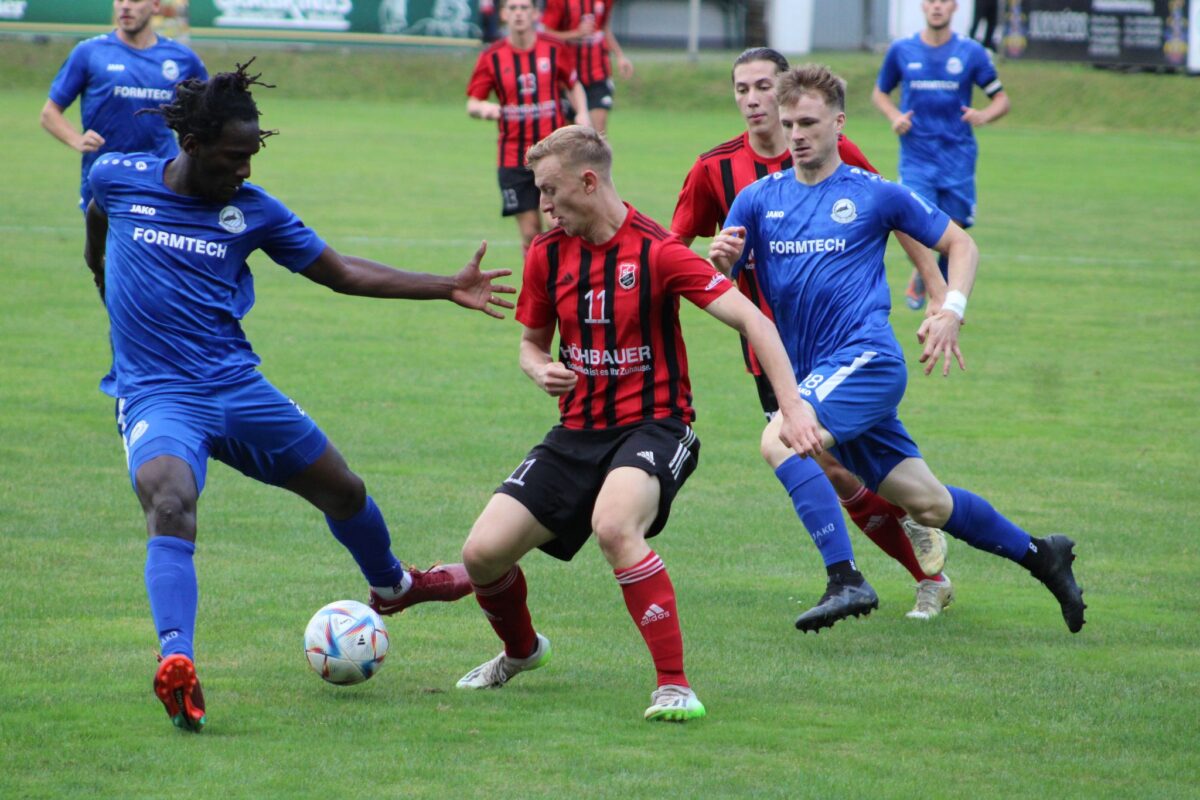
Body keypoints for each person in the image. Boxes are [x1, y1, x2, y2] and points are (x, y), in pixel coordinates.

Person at [83, 61, 516, 732]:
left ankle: (394, 587)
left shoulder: (253, 212)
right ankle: (178, 664)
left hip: (235, 386)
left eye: (252, 156)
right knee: (169, 500)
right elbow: (97, 225)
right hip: (158, 394)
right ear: (191, 146)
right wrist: (104, 284)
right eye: (234, 157)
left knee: (343, 489)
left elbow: (340, 272)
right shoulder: (117, 178)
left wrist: (444, 286)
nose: (245, 172)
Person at [710, 64, 1085, 635]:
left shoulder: (873, 192)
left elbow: (960, 244)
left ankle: (845, 578)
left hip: (867, 362)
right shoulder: (758, 200)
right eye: (789, 125)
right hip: (818, 375)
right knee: (929, 505)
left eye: (809, 122)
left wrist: (949, 308)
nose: (797, 134)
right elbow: (723, 275)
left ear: (839, 123)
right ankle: (1042, 555)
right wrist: (719, 261)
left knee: (781, 437)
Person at [454, 125, 811, 721]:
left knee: (615, 527)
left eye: (549, 190)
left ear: (588, 182)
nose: (541, 205)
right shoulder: (547, 253)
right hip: (576, 434)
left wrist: (792, 409)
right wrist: (541, 370)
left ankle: (674, 685)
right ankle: (521, 652)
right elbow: (530, 347)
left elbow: (756, 322)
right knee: (482, 554)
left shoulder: (659, 251)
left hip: (655, 426)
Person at [671, 48, 955, 621]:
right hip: (772, 352)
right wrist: (713, 256)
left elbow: (896, 212)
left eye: (762, 86)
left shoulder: (835, 149)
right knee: (831, 467)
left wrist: (939, 290)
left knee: (827, 461)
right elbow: (676, 254)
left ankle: (891, 574)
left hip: (844, 344)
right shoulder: (714, 169)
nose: (753, 99)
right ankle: (913, 568)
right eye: (741, 89)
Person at [872, 0, 1010, 311]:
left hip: (957, 155)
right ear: (924, 6)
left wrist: (985, 115)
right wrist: (895, 115)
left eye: (943, 1)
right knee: (912, 222)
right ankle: (927, 277)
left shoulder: (971, 52)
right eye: (932, 1)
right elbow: (880, 92)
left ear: (954, 8)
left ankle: (937, 291)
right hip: (917, 154)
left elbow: (1001, 99)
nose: (937, 7)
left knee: (955, 231)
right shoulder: (902, 50)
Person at [41, 0, 207, 214]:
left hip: (163, 177)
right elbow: (49, 113)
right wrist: (77, 140)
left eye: (135, 0)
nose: (125, 6)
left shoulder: (182, 58)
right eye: (120, 0)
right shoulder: (90, 52)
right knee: (105, 248)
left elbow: (206, 113)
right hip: (106, 178)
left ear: (155, 5)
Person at [467, 0, 591, 255]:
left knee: (556, 221)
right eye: (512, 8)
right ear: (503, 14)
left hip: (554, 154)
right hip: (513, 157)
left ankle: (567, 283)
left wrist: (582, 114)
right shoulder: (492, 56)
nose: (519, 13)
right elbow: (473, 102)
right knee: (530, 231)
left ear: (535, 13)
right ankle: (539, 292)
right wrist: (484, 109)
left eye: (524, 7)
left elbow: (573, 84)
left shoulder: (554, 49)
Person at [540, 0, 634, 138]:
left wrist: (620, 55)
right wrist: (575, 34)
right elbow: (546, 34)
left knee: (598, 135)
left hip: (597, 73)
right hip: (566, 79)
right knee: (569, 139)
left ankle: (599, 159)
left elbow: (603, 27)